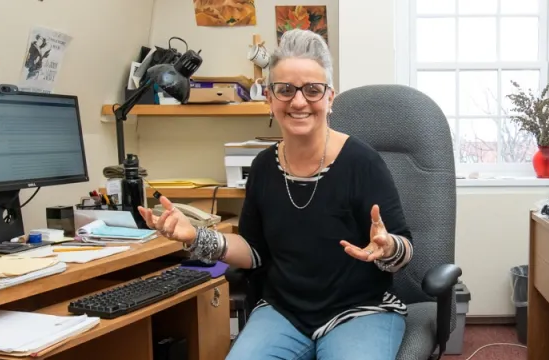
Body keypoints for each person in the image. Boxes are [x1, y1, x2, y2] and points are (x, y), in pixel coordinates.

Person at [136, 29, 413, 360]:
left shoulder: (363, 162)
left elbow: (405, 250)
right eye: (285, 90)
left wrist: (388, 248)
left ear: (330, 98)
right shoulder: (265, 167)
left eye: (313, 90)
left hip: (360, 309)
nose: (298, 102)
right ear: (269, 97)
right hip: (284, 312)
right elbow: (254, 252)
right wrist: (196, 236)